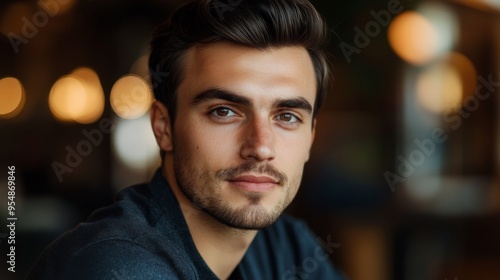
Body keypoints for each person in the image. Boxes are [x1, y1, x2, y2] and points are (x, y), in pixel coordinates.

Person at [27, 0, 345, 279]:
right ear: (163, 127)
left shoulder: (285, 248)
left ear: (311, 136)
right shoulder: (116, 268)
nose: (261, 146)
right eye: (224, 111)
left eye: (287, 116)